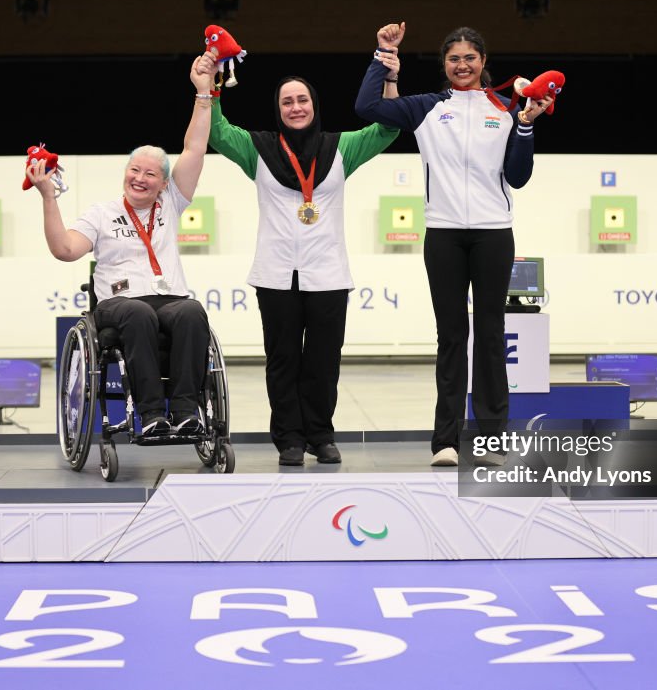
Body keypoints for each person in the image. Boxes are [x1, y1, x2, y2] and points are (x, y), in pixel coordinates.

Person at [355, 23, 553, 467]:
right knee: (451, 337)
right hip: (443, 234)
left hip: (493, 233)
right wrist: (383, 54)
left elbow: (518, 176)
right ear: (444, 65)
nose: (462, 65)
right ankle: (445, 440)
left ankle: (492, 440)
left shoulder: (506, 107)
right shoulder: (426, 107)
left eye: (470, 58)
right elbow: (365, 105)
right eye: (453, 59)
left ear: (484, 62)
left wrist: (524, 125)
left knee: (489, 335)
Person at [207, 60, 401, 466]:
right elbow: (217, 131)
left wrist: (390, 78)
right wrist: (211, 84)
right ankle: (290, 439)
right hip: (275, 274)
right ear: (278, 110)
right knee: (282, 362)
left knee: (323, 362)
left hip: (328, 273)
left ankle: (320, 434)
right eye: (287, 102)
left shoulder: (341, 147)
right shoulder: (257, 149)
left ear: (314, 104)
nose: (296, 107)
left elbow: (388, 128)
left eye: (302, 99)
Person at [27, 51, 219, 437]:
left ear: (164, 183)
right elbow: (65, 249)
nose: (140, 178)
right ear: (125, 173)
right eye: (134, 169)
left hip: (170, 299)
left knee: (194, 312)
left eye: (151, 173)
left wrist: (203, 94)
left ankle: (186, 411)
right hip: (120, 304)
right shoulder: (101, 213)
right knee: (138, 314)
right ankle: (150, 415)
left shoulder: (172, 201)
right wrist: (49, 196)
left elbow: (195, 148)